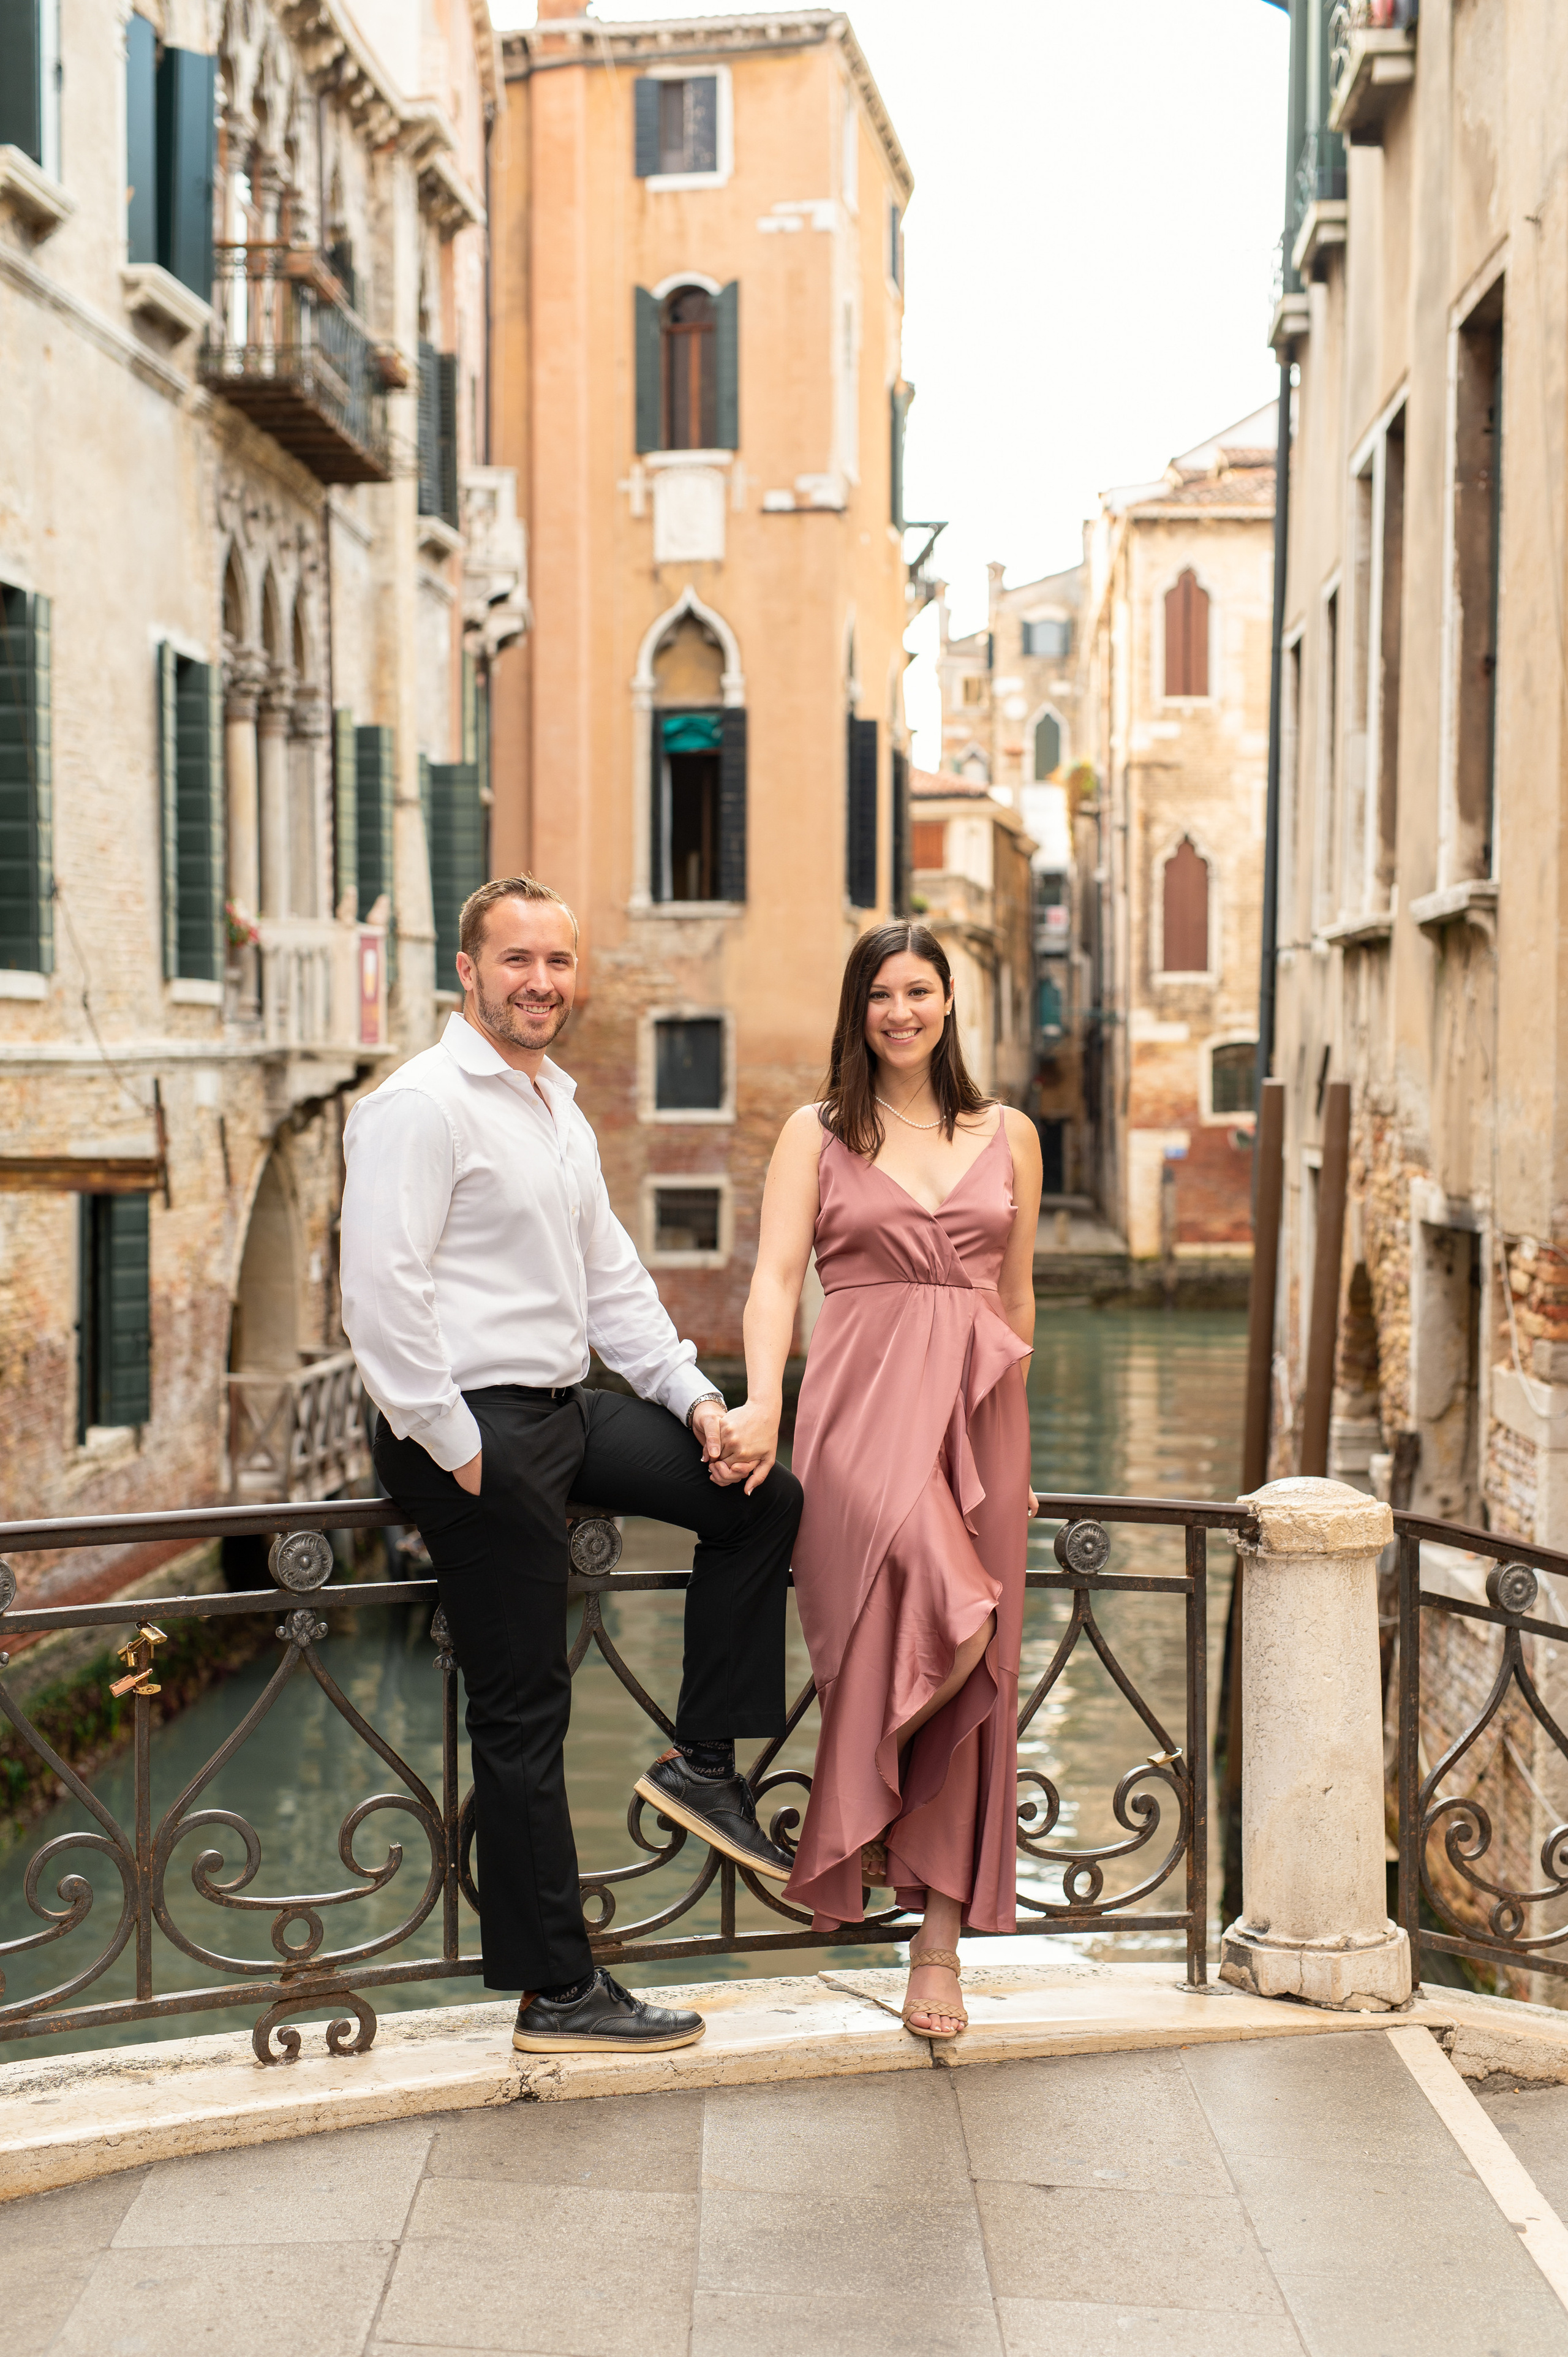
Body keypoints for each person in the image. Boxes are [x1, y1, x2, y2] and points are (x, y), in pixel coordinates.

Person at [340, 873, 802, 2057]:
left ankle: (701, 1762)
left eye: (557, 962)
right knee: (525, 1706)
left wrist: (700, 1399)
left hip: (564, 1405)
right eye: (516, 961)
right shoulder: (423, 1104)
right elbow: (380, 1297)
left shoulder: (558, 1107)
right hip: (470, 1429)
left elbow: (613, 1287)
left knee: (758, 1498)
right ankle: (557, 1992)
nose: (540, 982)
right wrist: (457, 1447)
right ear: (469, 971)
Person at [716, 921, 1041, 2039]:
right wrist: (762, 1405)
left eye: (919, 990)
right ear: (857, 1012)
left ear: (950, 1002)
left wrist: (1017, 1459)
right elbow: (771, 1284)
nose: (900, 1011)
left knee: (982, 1658)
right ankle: (857, 1804)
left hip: (984, 1419)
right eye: (879, 995)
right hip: (857, 1413)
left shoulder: (1013, 1134)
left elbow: (1019, 1300)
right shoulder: (817, 1133)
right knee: (940, 1623)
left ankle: (937, 1955)